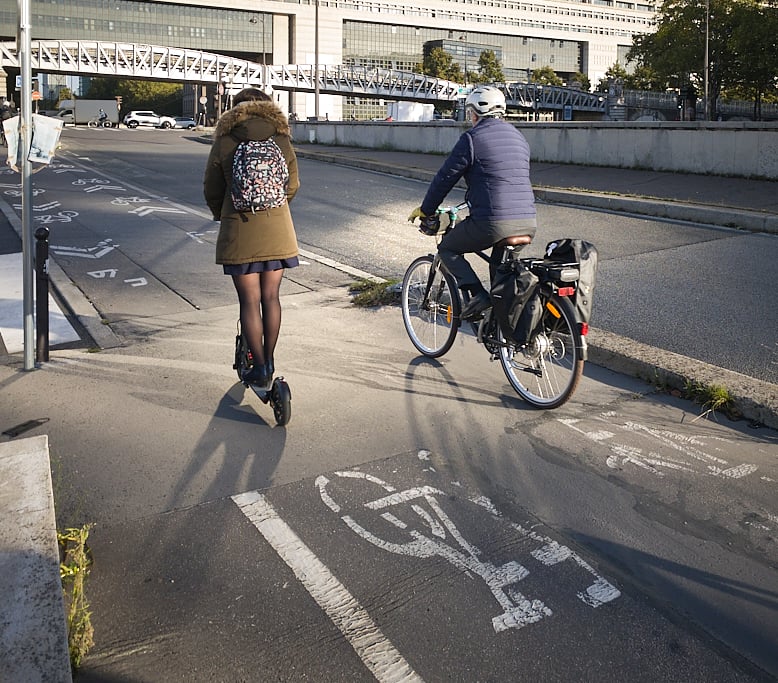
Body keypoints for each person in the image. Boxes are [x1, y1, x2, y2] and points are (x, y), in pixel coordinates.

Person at [408, 85, 537, 320]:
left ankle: (478, 296)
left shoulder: (472, 139)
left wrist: (426, 210)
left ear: (475, 113)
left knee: (448, 248)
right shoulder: (518, 137)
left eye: (470, 113)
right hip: (528, 221)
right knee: (501, 274)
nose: (470, 118)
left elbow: (445, 178)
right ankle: (501, 327)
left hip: (493, 223)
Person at [203, 88, 300, 389]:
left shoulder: (225, 140)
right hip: (278, 230)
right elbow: (293, 185)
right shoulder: (280, 137)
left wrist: (222, 214)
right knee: (271, 298)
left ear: (235, 110)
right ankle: (269, 360)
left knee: (249, 301)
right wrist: (275, 207)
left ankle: (259, 368)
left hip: (239, 231)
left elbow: (211, 188)